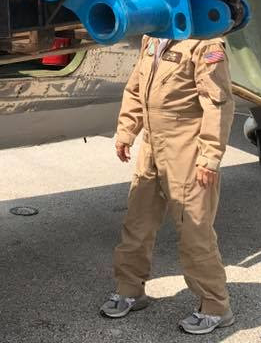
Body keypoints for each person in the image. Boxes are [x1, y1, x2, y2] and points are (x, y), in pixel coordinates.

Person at [100, 35, 236, 335]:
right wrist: (126, 131)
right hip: (152, 144)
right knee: (137, 224)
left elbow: (217, 103)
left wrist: (210, 156)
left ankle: (216, 307)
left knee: (194, 230)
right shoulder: (152, 36)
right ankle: (129, 290)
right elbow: (136, 88)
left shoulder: (205, 42)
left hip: (186, 146)